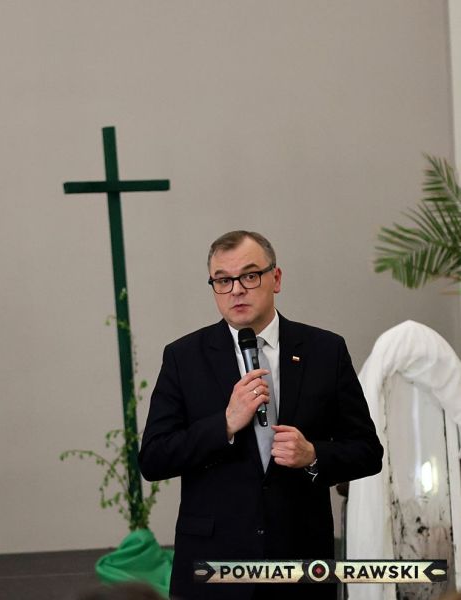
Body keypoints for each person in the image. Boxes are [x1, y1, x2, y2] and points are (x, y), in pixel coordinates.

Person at [137, 231, 383, 600]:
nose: (236, 290)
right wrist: (224, 424)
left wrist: (312, 455)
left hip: (300, 560)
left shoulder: (325, 350)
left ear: (276, 278)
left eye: (250, 276)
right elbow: (154, 458)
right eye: (223, 280)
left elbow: (368, 451)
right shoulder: (183, 357)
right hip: (215, 564)